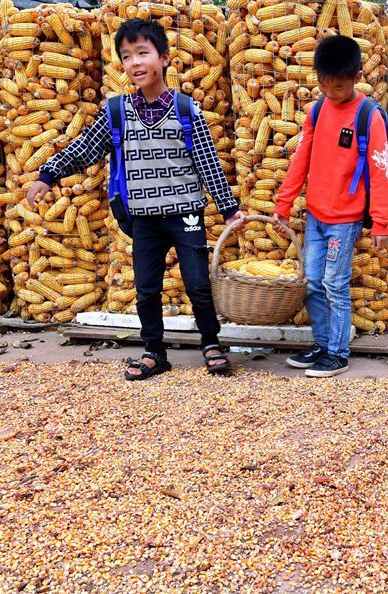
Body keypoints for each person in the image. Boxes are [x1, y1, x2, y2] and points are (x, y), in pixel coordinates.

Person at [26, 19, 245, 381]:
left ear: (164, 58)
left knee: (197, 284)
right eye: (127, 56)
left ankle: (211, 343)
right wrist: (48, 174)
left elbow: (207, 162)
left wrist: (229, 208)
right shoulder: (116, 112)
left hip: (186, 213)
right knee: (146, 289)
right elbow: (85, 148)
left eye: (143, 53)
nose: (135, 62)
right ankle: (154, 351)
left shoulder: (187, 110)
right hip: (143, 217)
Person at [273, 36, 388, 378]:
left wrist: (382, 222)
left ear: (357, 77)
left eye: (338, 87)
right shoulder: (317, 110)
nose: (330, 92)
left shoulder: (368, 116)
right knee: (312, 281)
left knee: (334, 283)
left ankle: (338, 353)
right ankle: (324, 344)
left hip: (346, 219)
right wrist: (284, 202)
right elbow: (301, 159)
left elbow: (380, 171)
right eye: (323, 85)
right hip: (316, 215)